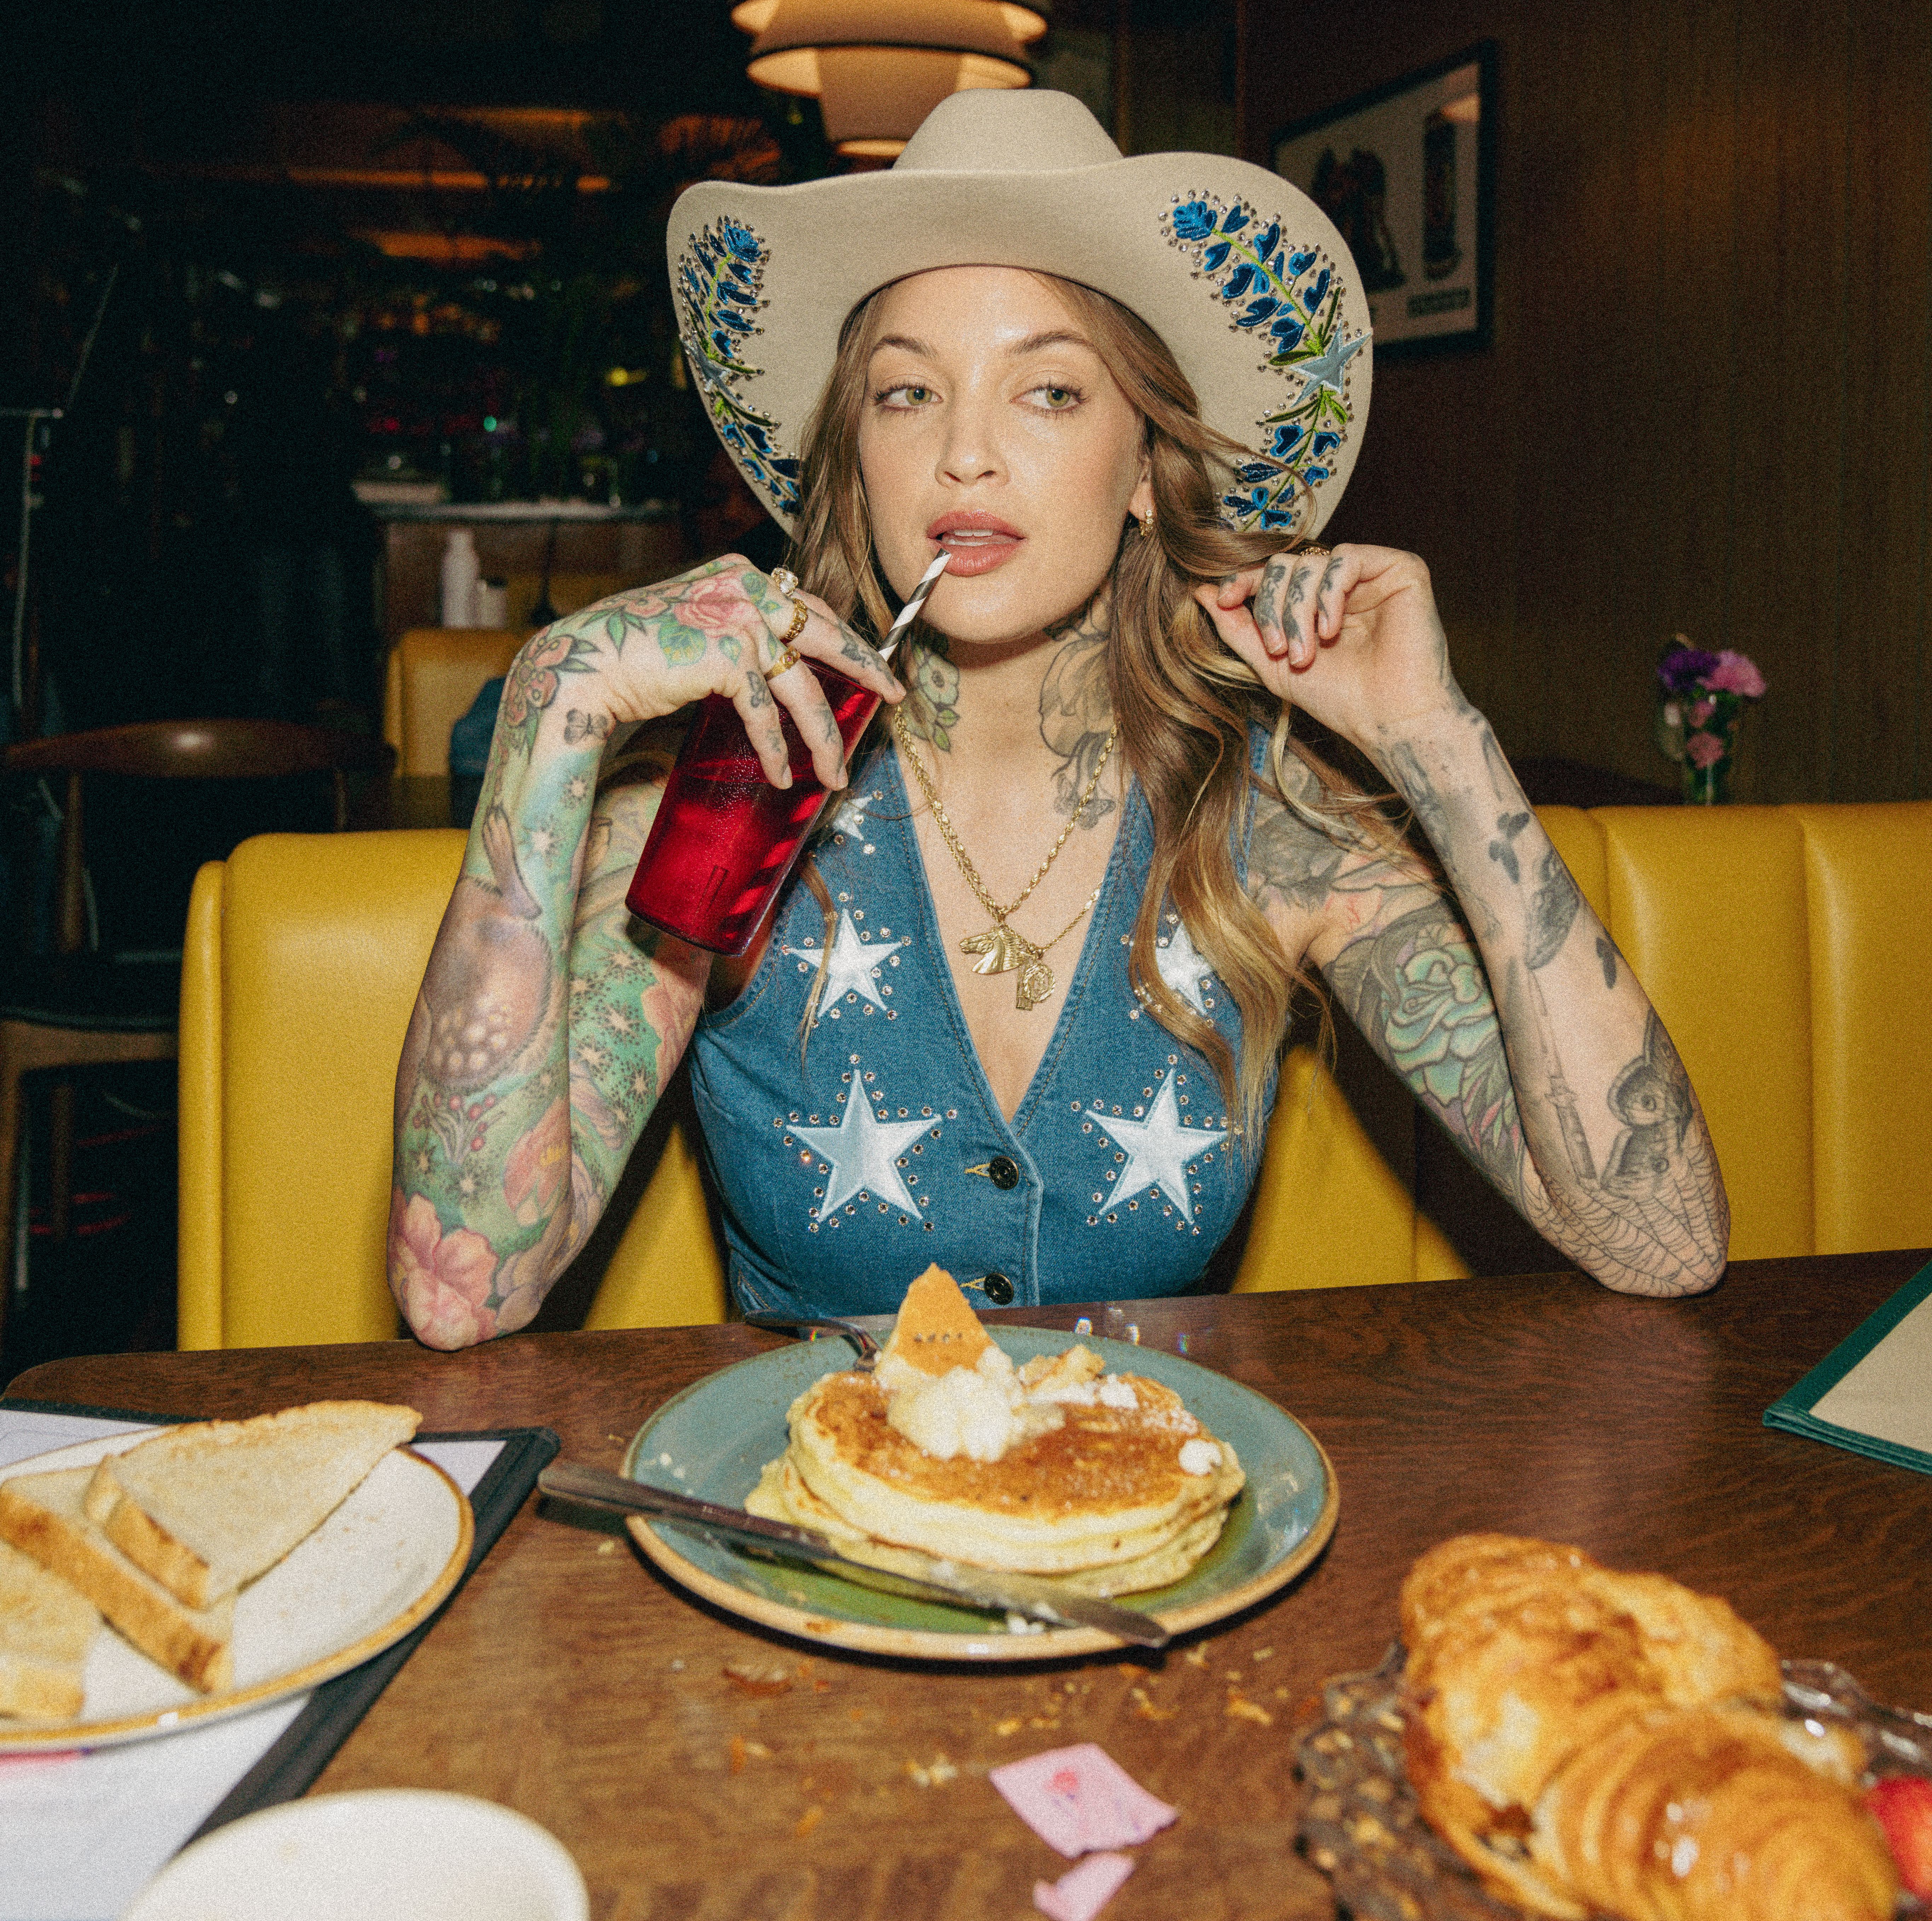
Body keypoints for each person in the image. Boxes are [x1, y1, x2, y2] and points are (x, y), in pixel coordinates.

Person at [388, 94, 1727, 1346]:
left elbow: (1663, 1241)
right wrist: (548, 718)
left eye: (1049, 390)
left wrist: (1439, 744)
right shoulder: (725, 799)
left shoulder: (1272, 814)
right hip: (805, 1538)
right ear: (855, 458)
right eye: (908, 392)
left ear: (1148, 464)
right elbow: (467, 1295)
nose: (964, 451)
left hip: (1157, 1545)